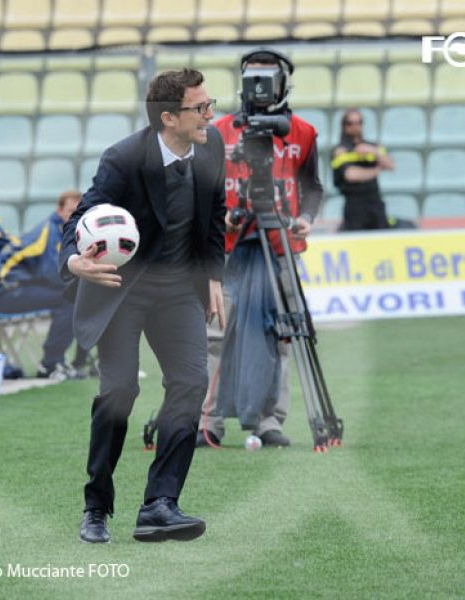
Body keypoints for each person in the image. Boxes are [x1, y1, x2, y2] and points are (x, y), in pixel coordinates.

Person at [59, 68, 226, 544]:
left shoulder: (211, 147)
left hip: (178, 291)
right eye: (201, 107)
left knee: (191, 383)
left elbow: (215, 215)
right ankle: (96, 506)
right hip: (121, 289)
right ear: (169, 117)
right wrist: (75, 261)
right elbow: (81, 217)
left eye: (210, 103)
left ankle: (159, 504)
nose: (211, 114)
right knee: (119, 392)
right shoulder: (125, 158)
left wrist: (213, 273)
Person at [196, 47, 323, 449]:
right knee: (217, 332)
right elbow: (201, 189)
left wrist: (308, 218)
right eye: (254, 76)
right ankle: (209, 421)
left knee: (281, 333)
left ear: (284, 83)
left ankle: (269, 420)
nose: (261, 85)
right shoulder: (216, 131)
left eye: (269, 77)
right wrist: (223, 217)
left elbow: (313, 187)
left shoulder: (302, 132)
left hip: (281, 241)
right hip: (229, 244)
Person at [0, 190, 89, 380]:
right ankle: (50, 365)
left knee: (73, 296)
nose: (75, 215)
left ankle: (59, 361)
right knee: (69, 300)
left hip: (16, 287)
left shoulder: (62, 230)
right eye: (71, 210)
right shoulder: (49, 232)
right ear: (59, 210)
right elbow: (53, 274)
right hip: (3, 291)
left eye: (80, 211)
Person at [331, 108, 394, 231]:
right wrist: (376, 171)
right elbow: (351, 175)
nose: (355, 126)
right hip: (354, 204)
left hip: (375, 202)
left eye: (359, 122)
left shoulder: (372, 146)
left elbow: (391, 165)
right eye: (350, 123)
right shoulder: (340, 150)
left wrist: (374, 152)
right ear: (344, 126)